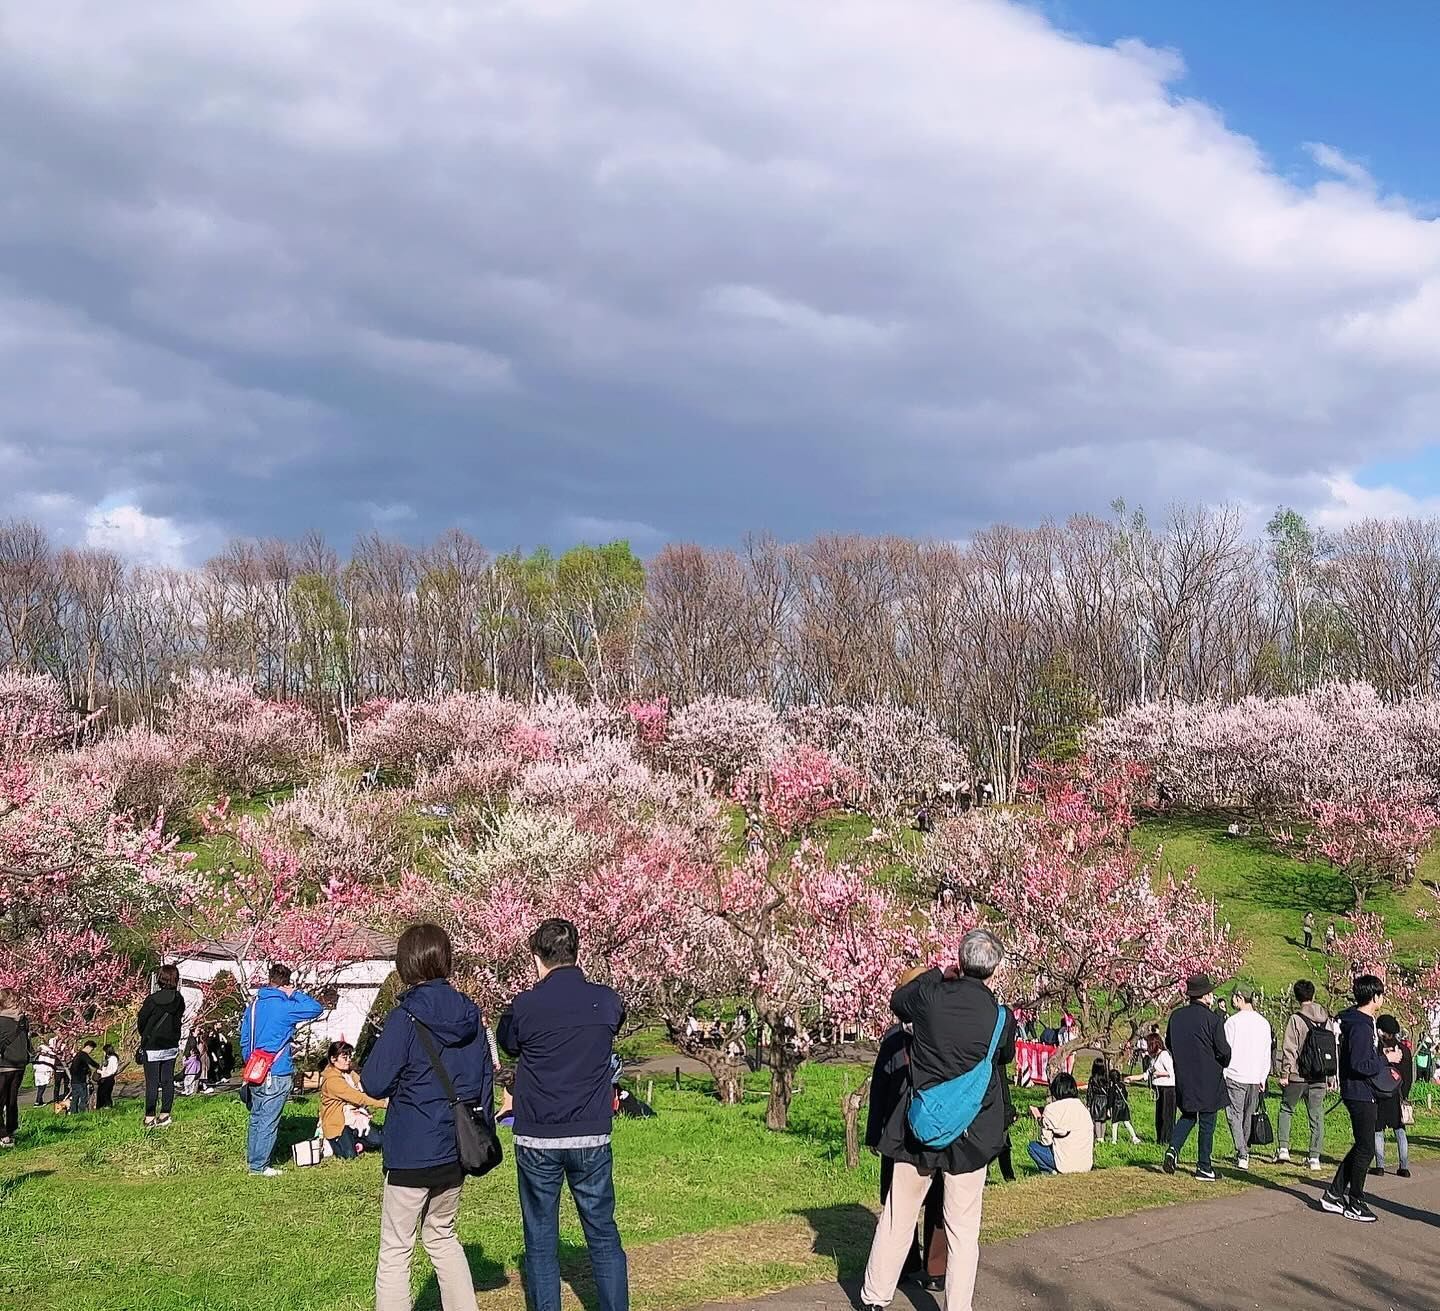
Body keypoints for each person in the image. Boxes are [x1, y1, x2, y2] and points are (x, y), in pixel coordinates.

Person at [860, 928, 1016, 1311]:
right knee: (963, 1228)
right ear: (994, 971)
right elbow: (1005, 1058)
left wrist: (936, 973)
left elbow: (899, 1001)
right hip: (971, 1130)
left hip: (921, 1124)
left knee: (899, 1213)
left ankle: (875, 1296)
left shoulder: (929, 999)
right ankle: (957, 1306)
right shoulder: (1000, 1018)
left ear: (960, 962)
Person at [498, 919, 628, 1311]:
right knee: (603, 1234)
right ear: (577, 953)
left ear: (537, 957)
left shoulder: (525, 1006)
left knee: (540, 1241)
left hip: (538, 1136)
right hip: (590, 1133)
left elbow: (508, 1044)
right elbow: (614, 1025)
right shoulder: (606, 1001)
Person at [362, 924, 492, 1311]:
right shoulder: (472, 1016)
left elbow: (374, 1080)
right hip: (456, 1147)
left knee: (397, 1249)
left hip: (412, 1150)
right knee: (442, 1237)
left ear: (405, 964)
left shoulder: (406, 1017)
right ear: (445, 959)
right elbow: (484, 1083)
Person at [865, 968, 944, 1291]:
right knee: (938, 1200)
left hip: (899, 1130)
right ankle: (936, 1268)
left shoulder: (896, 1037)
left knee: (899, 1202)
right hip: (940, 1127)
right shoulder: (946, 1031)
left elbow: (880, 1087)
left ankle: (906, 1264)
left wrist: (875, 1133)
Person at [1320, 974, 1403, 1223]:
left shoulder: (1356, 1020)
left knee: (1361, 1145)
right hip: (1360, 1092)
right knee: (1365, 1147)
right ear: (1374, 996)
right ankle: (1355, 1200)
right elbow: (1360, 1064)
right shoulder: (1361, 1024)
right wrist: (1386, 1059)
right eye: (1381, 994)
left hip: (1359, 1091)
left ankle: (1334, 1193)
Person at [241, 964, 337, 1177]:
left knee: (257, 1116)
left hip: (256, 1067)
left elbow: (245, 1038)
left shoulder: (254, 1006)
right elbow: (315, 1008)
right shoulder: (285, 1006)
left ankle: (254, 1158)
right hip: (277, 1068)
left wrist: (251, 1060)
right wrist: (294, 993)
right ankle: (259, 1166)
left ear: (269, 979)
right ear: (285, 982)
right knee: (269, 1119)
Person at [1163, 974, 1232, 1181]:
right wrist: (1222, 1061)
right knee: (1207, 1121)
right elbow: (1224, 1051)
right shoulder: (1213, 1019)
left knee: (1188, 1115)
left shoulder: (1176, 1016)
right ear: (1206, 995)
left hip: (1185, 1074)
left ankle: (1173, 1149)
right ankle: (1204, 1165)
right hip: (1209, 1076)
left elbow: (1169, 1043)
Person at [1275, 979, 1330, 1169]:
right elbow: (1331, 1049)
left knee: (1286, 1109)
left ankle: (1283, 1148)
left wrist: (1285, 1073)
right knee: (1316, 1116)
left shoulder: (1296, 1019)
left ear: (1297, 997)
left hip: (1298, 1075)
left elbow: (1290, 1049)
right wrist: (1331, 1076)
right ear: (1313, 995)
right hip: (1320, 1075)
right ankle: (1314, 1157)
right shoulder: (1325, 1019)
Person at [1222, 988, 1271, 1170]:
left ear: (1240, 998)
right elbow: (1267, 1053)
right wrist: (1263, 1076)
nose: (1232, 1001)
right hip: (1255, 1076)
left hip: (1235, 1074)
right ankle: (1244, 1150)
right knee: (1247, 1116)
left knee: (1234, 1115)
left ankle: (1242, 1152)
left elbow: (1226, 1050)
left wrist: (1224, 1072)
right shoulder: (1264, 1023)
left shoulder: (1232, 1022)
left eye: (1233, 998)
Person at [136, 964, 185, 1129]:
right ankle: (165, 1115)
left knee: (152, 1082)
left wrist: (146, 1036)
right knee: (167, 1080)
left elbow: (142, 1021)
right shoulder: (179, 999)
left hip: (153, 1045)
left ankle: (149, 1117)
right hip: (170, 1044)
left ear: (160, 979)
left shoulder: (152, 1000)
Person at [320, 1040, 386, 1159]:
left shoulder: (349, 1072)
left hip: (356, 1118)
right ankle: (337, 1141)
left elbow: (364, 1085)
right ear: (333, 1059)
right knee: (349, 1156)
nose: (348, 1060)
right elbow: (358, 1097)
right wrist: (383, 1104)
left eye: (350, 1057)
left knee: (379, 1142)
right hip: (338, 1122)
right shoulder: (332, 1080)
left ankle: (356, 1139)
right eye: (344, 1057)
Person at [1371, 1015, 1413, 1179]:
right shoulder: (1404, 1050)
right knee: (1400, 1130)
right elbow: (1409, 1076)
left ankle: (1380, 1165)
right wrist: (1405, 1095)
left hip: (1380, 1095)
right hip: (1398, 1095)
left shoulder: (1377, 1050)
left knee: (1378, 1130)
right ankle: (1404, 1166)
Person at [1026, 1072, 1092, 1174]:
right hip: (1085, 1164)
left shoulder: (1051, 1109)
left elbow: (1045, 1141)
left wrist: (1041, 1123)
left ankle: (1050, 1171)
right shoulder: (1082, 1108)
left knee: (1032, 1146)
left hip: (1065, 1164)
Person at [0, 988, 30, 1145]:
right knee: (11, 1100)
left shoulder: (2, 1020)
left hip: (4, 1065)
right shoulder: (23, 1020)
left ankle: (3, 1134)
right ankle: (11, 1131)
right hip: (19, 1065)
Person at [1143, 1032, 1177, 1144]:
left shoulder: (1164, 1055)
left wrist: (1158, 1073)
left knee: (1166, 1115)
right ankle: (1160, 1139)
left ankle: (1167, 1139)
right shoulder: (1154, 1058)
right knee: (1159, 1115)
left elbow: (1170, 1072)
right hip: (1159, 1088)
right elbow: (1148, 1072)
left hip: (1168, 1088)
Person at [1106, 1066, 1140, 1145]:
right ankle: (1134, 1137)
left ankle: (1114, 1140)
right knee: (1127, 1123)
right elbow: (1126, 1094)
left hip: (1116, 1107)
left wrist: (1108, 1109)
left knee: (1115, 1124)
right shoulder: (1122, 1085)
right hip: (1124, 1106)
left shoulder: (1112, 1088)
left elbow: (1110, 1100)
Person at [68, 1041, 101, 1114]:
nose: (91, 1052)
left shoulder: (78, 1055)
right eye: (91, 1050)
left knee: (75, 1097)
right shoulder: (83, 1055)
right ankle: (82, 1112)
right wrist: (98, 1066)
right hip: (80, 1080)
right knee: (83, 1097)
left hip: (74, 1080)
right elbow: (91, 1062)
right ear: (88, 1047)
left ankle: (73, 1112)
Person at [1084, 1058, 1110, 1143]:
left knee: (1097, 1120)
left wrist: (1088, 1104)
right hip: (1105, 1100)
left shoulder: (1092, 1079)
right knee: (1103, 1119)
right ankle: (1102, 1136)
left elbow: (1090, 1093)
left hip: (1096, 1100)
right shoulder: (1107, 1079)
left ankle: (1098, 1137)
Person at [33, 1034, 56, 1107]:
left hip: (39, 1069)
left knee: (40, 1086)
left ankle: (40, 1101)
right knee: (42, 1085)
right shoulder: (46, 1049)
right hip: (44, 1069)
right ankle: (37, 1102)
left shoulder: (43, 1048)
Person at [95, 1044, 120, 1109]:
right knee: (101, 1093)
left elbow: (111, 1071)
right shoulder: (108, 1058)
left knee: (105, 1093)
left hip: (108, 1078)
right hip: (104, 1078)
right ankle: (101, 1106)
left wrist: (101, 1072)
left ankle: (107, 1106)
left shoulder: (113, 1059)